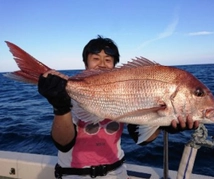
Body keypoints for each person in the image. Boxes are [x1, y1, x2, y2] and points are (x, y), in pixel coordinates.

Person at [38, 35, 199, 179]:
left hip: (117, 173)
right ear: (85, 63)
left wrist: (162, 124)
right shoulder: (68, 94)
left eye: (108, 60)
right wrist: (61, 108)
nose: (102, 64)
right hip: (74, 175)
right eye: (95, 58)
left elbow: (140, 139)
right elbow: (63, 143)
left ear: (115, 66)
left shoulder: (127, 89)